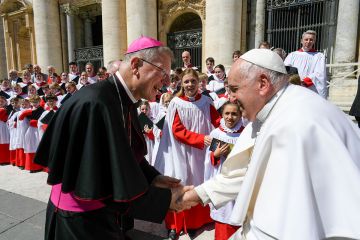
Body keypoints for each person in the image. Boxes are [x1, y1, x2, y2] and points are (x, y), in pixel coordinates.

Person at [181, 49, 360, 240]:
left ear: (263, 84)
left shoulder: (293, 124)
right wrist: (195, 195)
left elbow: (279, 227)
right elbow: (247, 170)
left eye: (234, 89)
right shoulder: (277, 107)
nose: (230, 98)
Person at [34, 36, 193, 240]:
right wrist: (166, 200)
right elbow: (100, 178)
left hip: (101, 216)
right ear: (136, 65)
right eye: (163, 72)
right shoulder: (96, 104)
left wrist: (153, 177)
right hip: (81, 221)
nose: (168, 82)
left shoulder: (123, 99)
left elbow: (123, 156)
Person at [155, 68, 221, 239]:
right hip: (182, 152)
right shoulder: (177, 103)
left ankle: (199, 221)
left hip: (203, 153)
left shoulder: (207, 102)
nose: (190, 84)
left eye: (193, 81)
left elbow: (217, 122)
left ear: (198, 82)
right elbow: (177, 131)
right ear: (181, 84)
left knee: (201, 182)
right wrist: (200, 139)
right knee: (183, 183)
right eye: (186, 82)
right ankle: (178, 225)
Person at [204, 101, 245, 240]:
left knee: (239, 213)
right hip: (221, 177)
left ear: (240, 115)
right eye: (227, 113)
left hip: (240, 178)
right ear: (222, 114)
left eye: (234, 114)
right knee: (224, 212)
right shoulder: (216, 133)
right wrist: (215, 155)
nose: (230, 117)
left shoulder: (245, 133)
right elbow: (208, 160)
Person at [284, 30, 328, 98]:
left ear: (314, 41)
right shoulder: (292, 55)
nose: (308, 42)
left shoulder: (319, 56)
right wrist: (294, 81)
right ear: (301, 41)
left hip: (310, 89)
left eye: (311, 40)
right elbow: (286, 70)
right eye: (306, 39)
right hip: (293, 88)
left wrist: (304, 82)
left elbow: (319, 74)